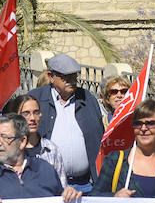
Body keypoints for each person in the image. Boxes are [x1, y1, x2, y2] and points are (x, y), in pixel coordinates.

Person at [28, 53, 104, 192]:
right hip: (47, 185)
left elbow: (99, 137)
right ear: (51, 77)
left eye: (74, 76)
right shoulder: (35, 99)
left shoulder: (87, 99)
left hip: (85, 185)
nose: (71, 81)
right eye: (65, 77)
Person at [9, 94, 67, 187]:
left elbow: (62, 186)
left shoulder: (51, 149)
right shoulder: (8, 149)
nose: (32, 118)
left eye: (36, 112)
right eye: (26, 113)